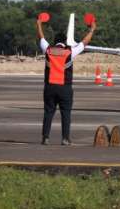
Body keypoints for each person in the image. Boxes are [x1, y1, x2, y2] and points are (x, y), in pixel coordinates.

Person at [36, 16, 96, 145]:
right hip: (65, 88)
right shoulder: (70, 51)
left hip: (50, 87)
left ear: (55, 41)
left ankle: (45, 137)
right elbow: (84, 43)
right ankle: (65, 138)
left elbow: (41, 38)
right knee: (66, 114)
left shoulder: (48, 50)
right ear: (64, 42)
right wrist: (92, 30)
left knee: (48, 112)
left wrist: (39, 24)